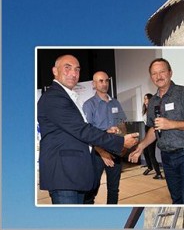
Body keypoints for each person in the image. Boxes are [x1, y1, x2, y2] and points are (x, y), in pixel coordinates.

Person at [37, 54, 139, 204]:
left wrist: (111, 135)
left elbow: (80, 129)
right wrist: (120, 142)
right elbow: (83, 131)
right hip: (65, 175)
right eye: (67, 68)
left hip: (74, 172)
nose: (73, 73)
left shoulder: (71, 97)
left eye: (77, 69)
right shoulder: (55, 97)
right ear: (54, 71)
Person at [129, 58, 184, 204]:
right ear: (151, 77)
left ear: (170, 73)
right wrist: (140, 147)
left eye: (162, 72)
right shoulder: (153, 102)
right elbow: (153, 129)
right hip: (167, 158)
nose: (159, 76)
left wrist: (172, 124)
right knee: (176, 199)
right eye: (154, 73)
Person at [82, 71, 127, 205]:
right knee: (92, 189)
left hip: (115, 151)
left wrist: (120, 130)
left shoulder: (115, 103)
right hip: (97, 153)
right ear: (94, 84)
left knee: (114, 190)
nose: (104, 84)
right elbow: (87, 132)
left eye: (106, 80)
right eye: (100, 81)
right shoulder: (89, 105)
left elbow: (123, 126)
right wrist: (102, 152)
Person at [141, 93, 163, 179]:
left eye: (146, 99)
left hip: (153, 130)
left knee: (151, 153)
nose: (145, 101)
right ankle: (149, 167)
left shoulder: (153, 108)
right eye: (144, 99)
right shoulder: (145, 109)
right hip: (147, 130)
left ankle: (158, 173)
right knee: (145, 151)